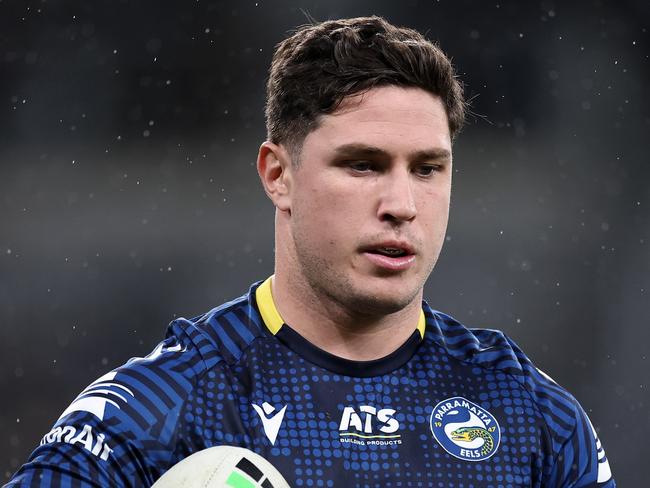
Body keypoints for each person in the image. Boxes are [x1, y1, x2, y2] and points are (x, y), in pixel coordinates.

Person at [7, 16, 614, 487]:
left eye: (428, 169)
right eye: (362, 165)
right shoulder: (157, 412)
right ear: (279, 174)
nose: (401, 203)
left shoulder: (535, 419)